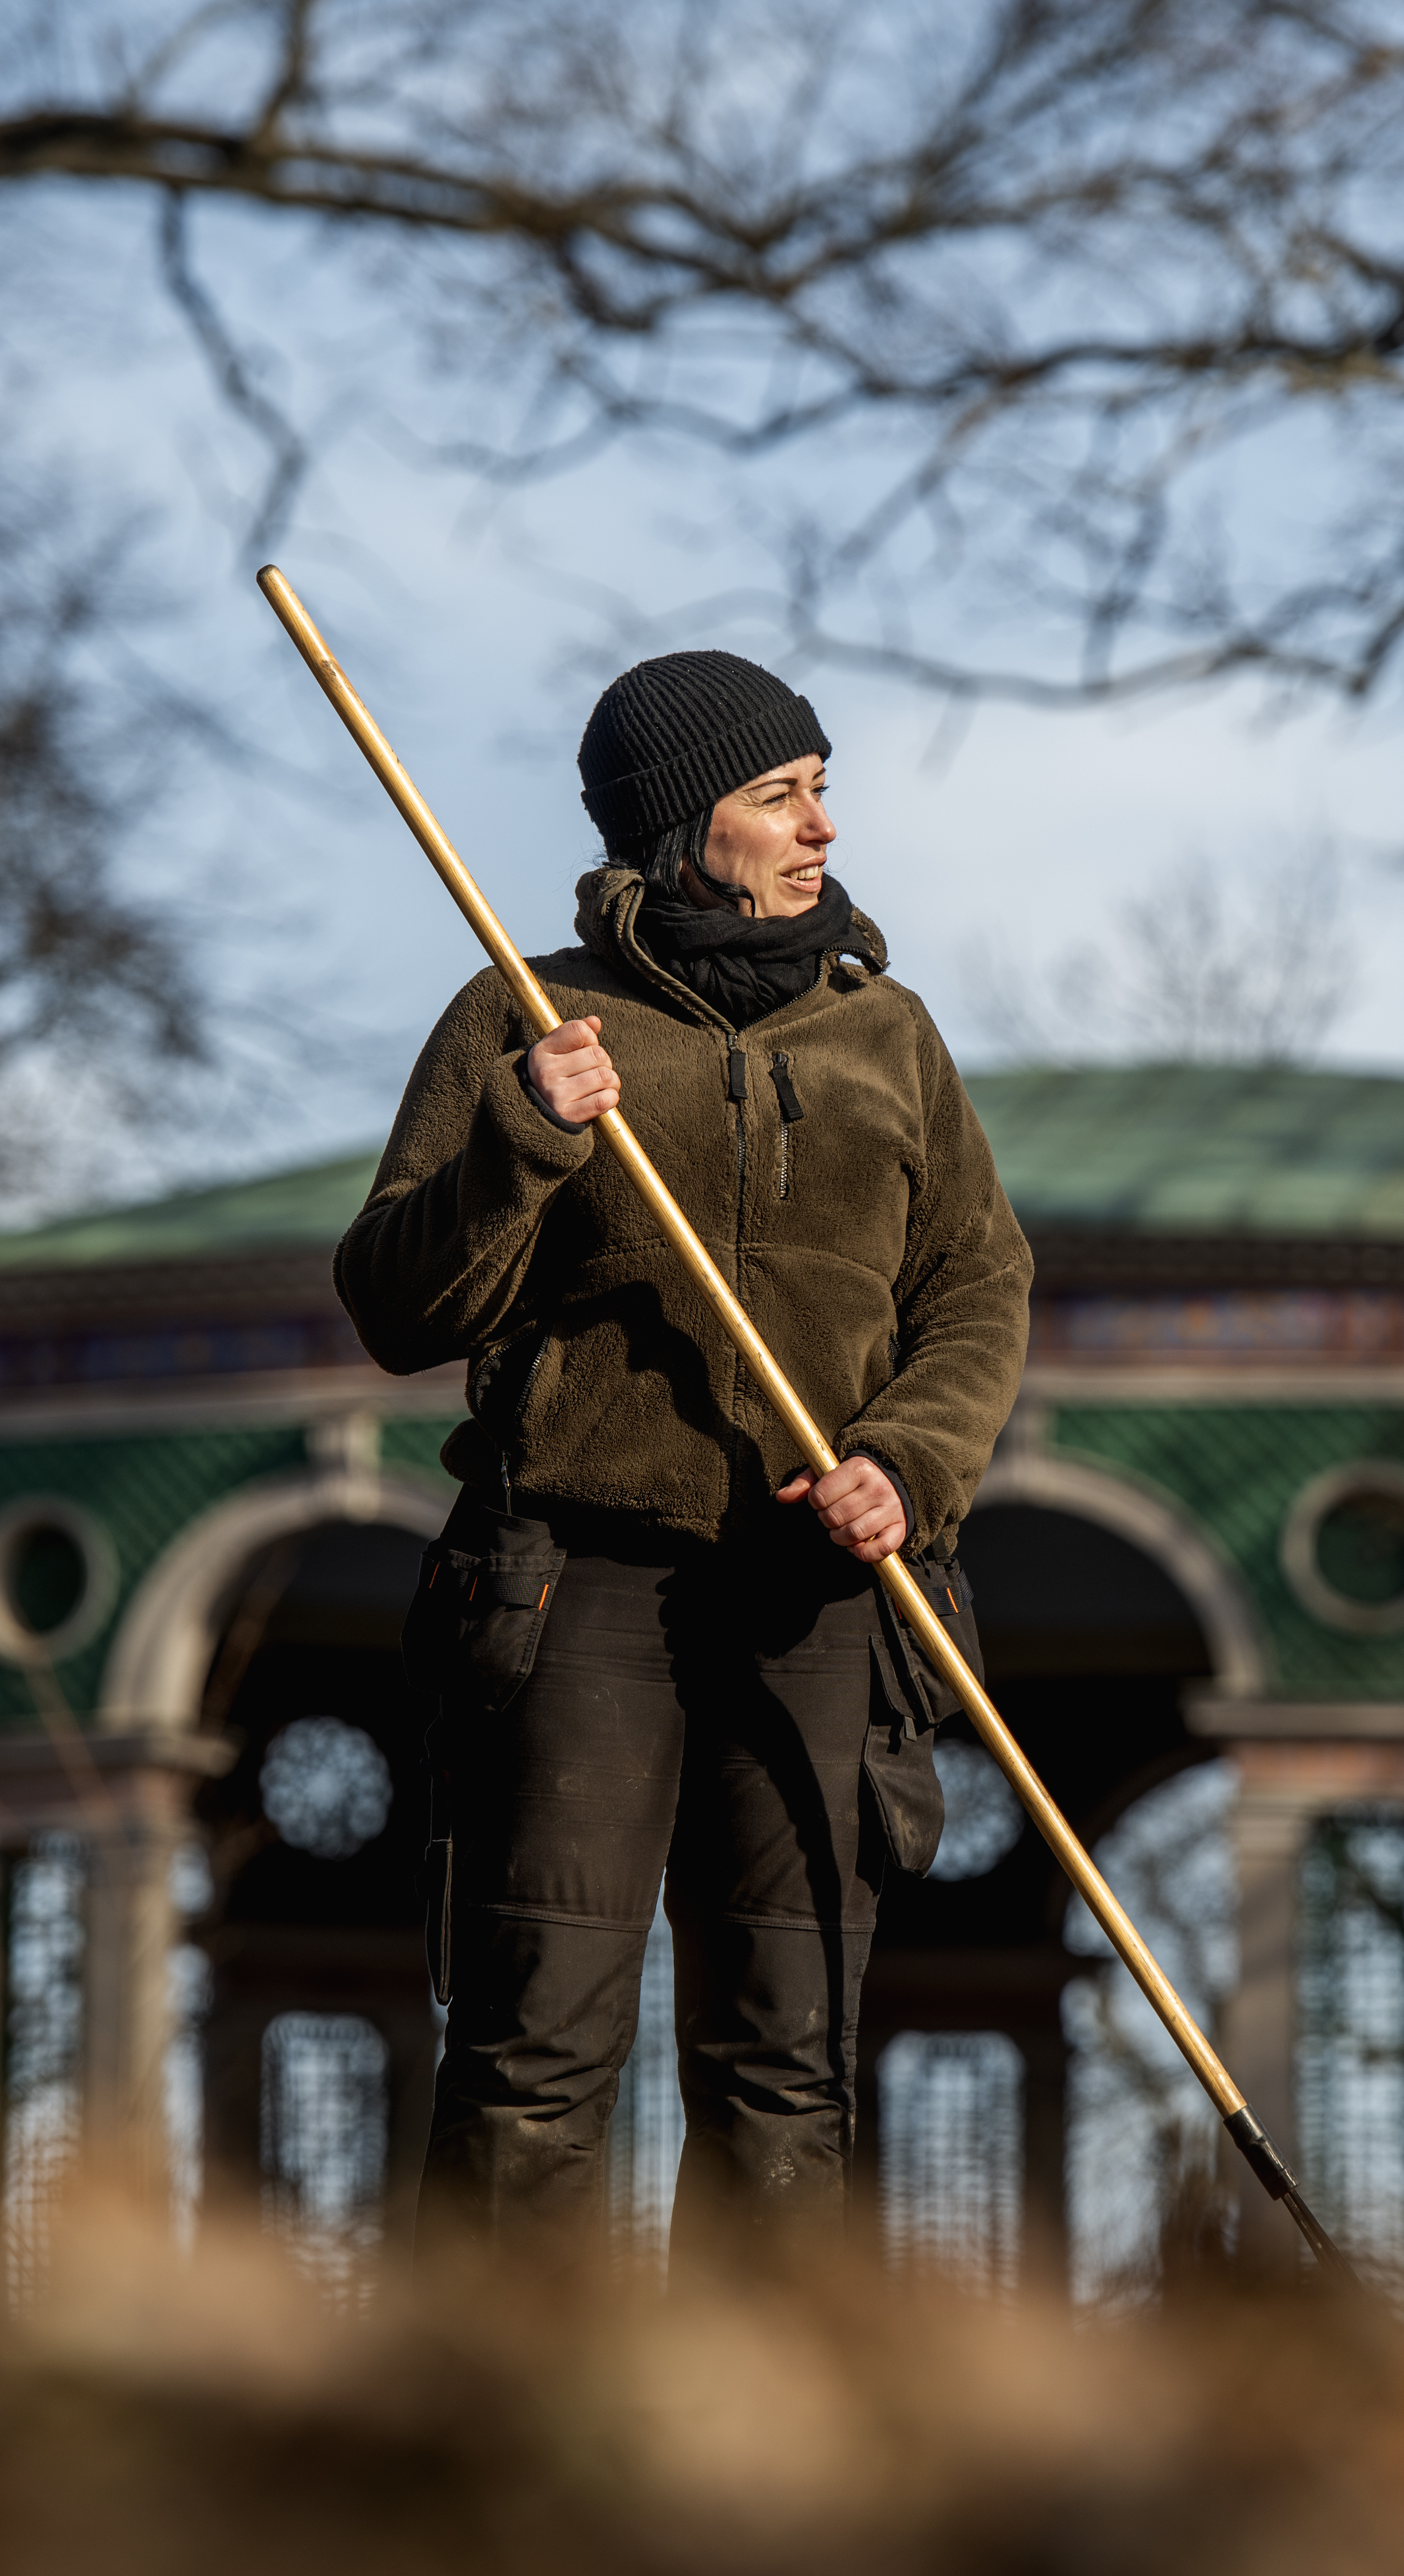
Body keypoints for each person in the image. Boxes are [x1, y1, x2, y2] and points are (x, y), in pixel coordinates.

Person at [334, 648, 1030, 2261]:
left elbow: (979, 1288)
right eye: (779, 795)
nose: (822, 828)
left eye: (821, 790)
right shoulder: (527, 1017)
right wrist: (523, 1137)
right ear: (676, 825)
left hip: (822, 1595)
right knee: (532, 2058)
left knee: (790, 2068)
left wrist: (910, 1466)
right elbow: (394, 1304)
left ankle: (757, 2457)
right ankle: (499, 2450)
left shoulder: (893, 1036)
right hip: (573, 1584)